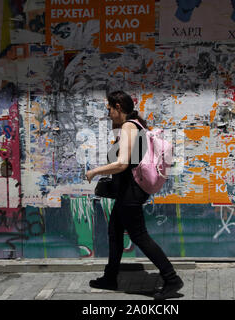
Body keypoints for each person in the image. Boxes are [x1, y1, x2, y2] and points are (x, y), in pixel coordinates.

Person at [85, 90, 183, 300]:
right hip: (126, 193)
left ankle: (171, 278)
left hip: (130, 193)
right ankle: (110, 277)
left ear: (118, 107)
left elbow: (122, 163)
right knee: (114, 233)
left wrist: (95, 172)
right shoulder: (134, 125)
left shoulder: (130, 126)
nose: (108, 114)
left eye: (110, 109)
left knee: (139, 236)